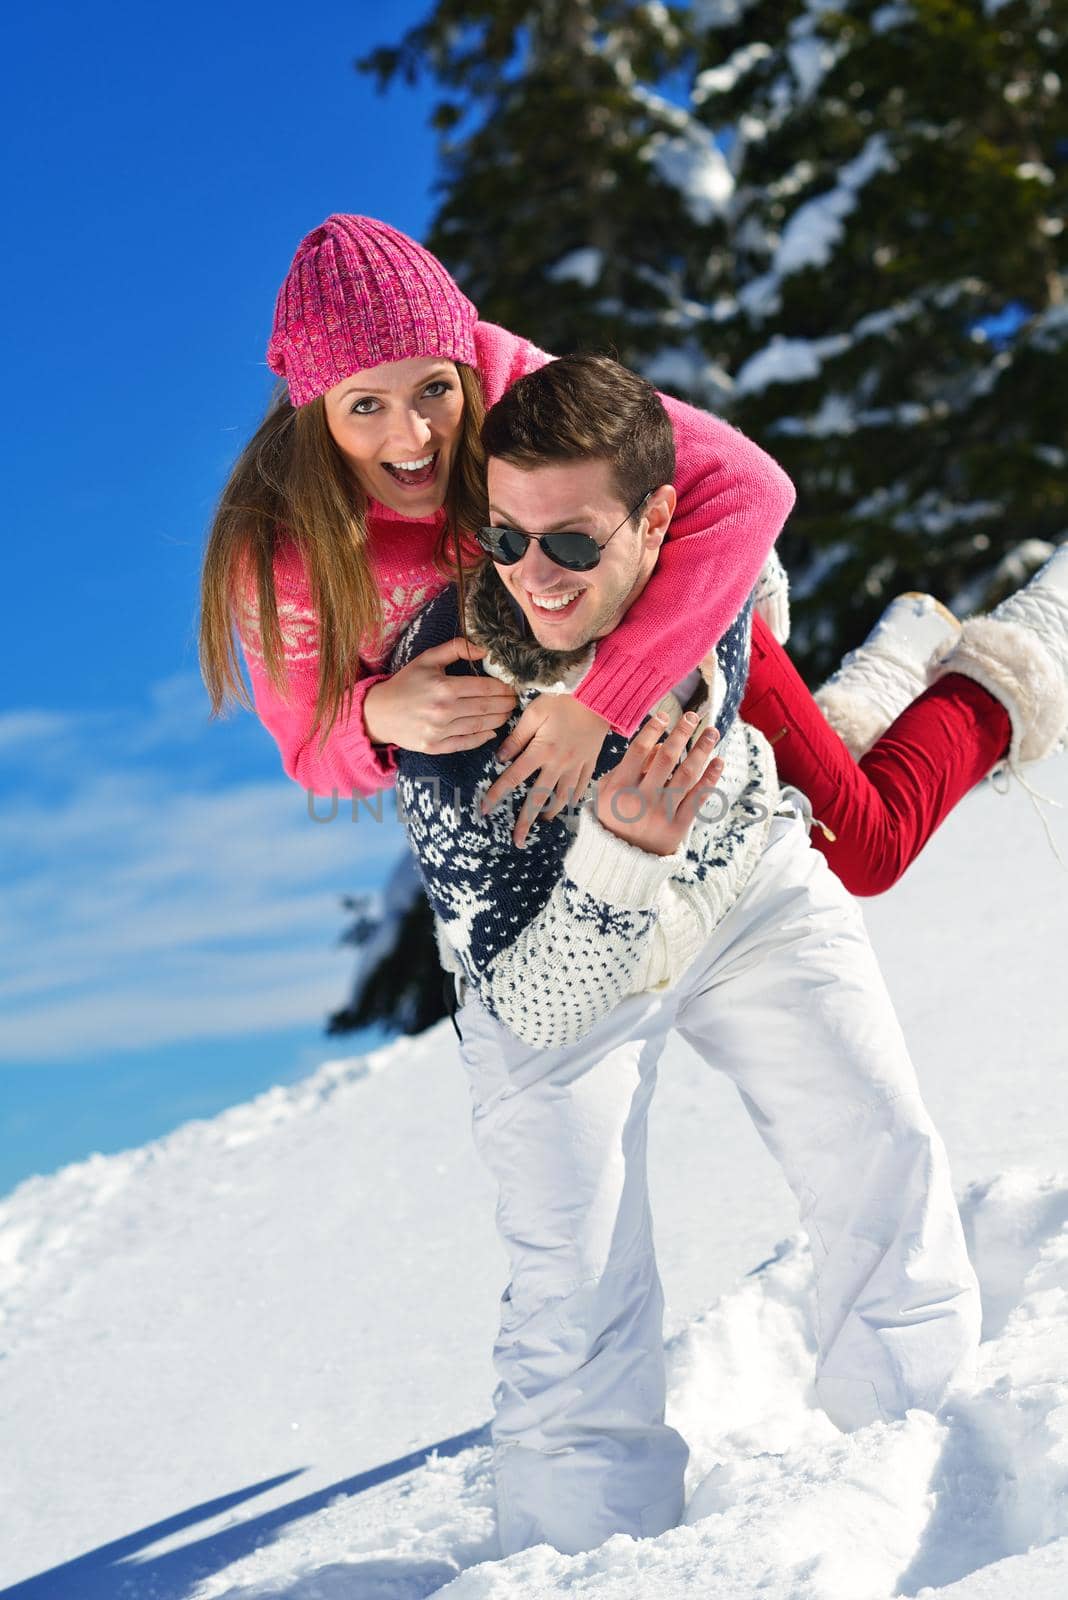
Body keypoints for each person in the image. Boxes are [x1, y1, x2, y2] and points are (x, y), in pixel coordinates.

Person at [383, 352, 1000, 1556]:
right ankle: (579, 1567)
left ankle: (926, 1474)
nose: (532, 577)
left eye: (572, 545)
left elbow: (750, 526)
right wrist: (617, 851)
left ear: (660, 523)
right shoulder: (453, 709)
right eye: (507, 538)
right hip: (552, 980)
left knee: (881, 1146)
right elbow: (540, 1004)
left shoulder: (699, 572)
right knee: (579, 1300)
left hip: (741, 884)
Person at [199, 212, 1068, 892]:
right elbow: (309, 748)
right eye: (365, 407)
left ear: (463, 362)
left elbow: (752, 486)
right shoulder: (284, 556)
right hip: (582, 756)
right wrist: (376, 717)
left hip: (687, 620)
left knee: (860, 852)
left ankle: (1025, 647)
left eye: (434, 387)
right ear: (315, 411)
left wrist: (603, 701)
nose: (415, 434)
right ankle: (894, 660)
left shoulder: (514, 383)